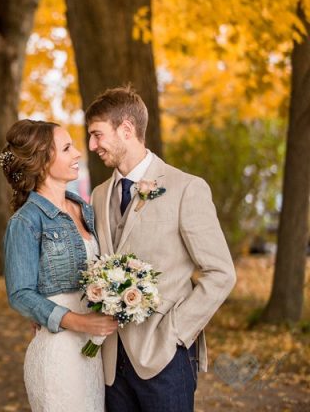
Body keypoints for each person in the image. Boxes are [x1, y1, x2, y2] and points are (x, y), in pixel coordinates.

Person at [85, 86, 237, 412]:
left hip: (165, 357)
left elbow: (220, 272)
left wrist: (176, 332)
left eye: (97, 135)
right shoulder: (98, 195)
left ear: (126, 129)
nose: (92, 146)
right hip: (111, 361)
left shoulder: (186, 189)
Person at [1, 119, 118, 412]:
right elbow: (20, 294)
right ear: (42, 163)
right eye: (67, 148)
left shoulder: (85, 209)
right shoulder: (26, 222)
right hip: (58, 355)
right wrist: (79, 322)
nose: (78, 153)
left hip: (92, 356)